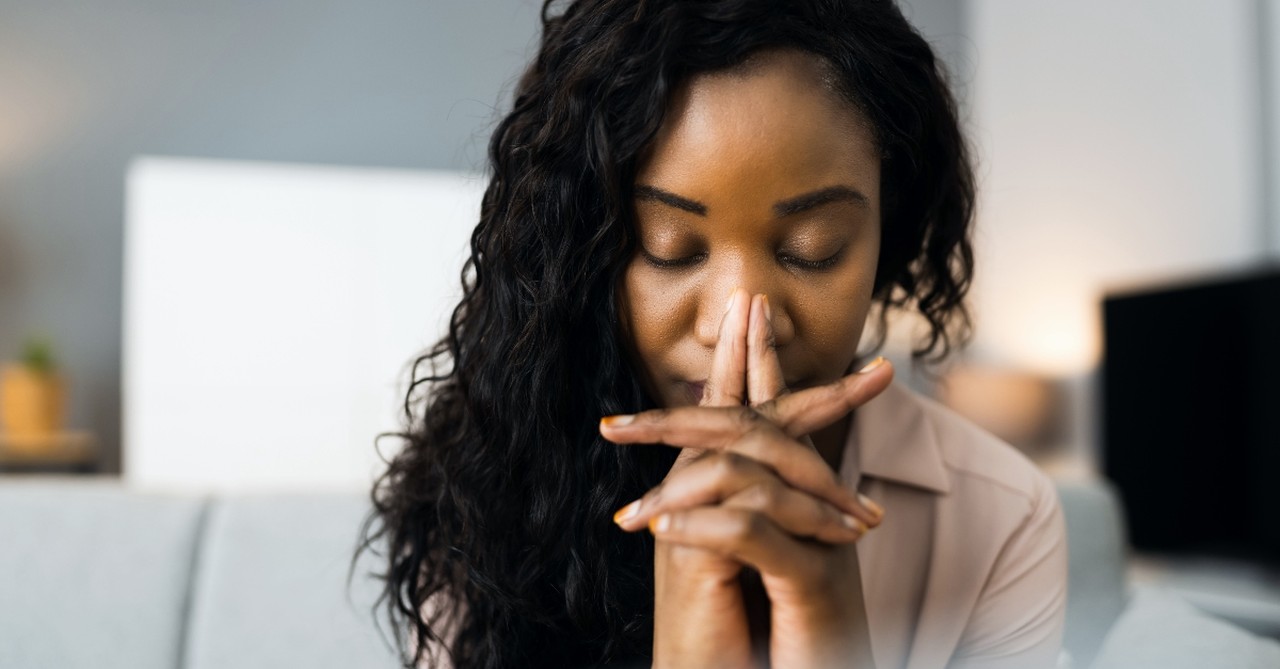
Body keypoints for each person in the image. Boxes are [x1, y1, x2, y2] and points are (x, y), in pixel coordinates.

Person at [356, 1, 1068, 668]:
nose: (741, 322)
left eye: (813, 248)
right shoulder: (490, 486)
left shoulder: (1001, 518)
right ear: (589, 255)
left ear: (888, 233)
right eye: (670, 247)